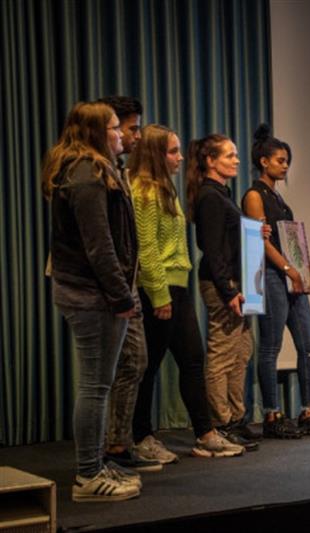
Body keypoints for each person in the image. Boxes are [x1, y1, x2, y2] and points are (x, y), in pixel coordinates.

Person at [128, 124, 246, 460]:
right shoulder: (145, 191)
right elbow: (147, 247)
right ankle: (141, 437)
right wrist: (160, 294)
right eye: (172, 151)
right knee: (148, 366)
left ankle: (205, 434)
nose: (181, 157)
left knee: (193, 359)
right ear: (154, 153)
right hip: (159, 289)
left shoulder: (164, 189)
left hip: (177, 287)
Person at [42, 101, 141, 501]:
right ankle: (87, 477)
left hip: (95, 293)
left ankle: (95, 466)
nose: (122, 134)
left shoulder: (95, 169)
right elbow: (98, 246)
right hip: (92, 295)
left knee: (97, 384)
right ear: (96, 132)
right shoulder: (86, 174)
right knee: (95, 386)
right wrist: (121, 296)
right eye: (115, 128)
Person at [242, 125, 310, 438]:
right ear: (263, 161)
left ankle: (309, 410)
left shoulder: (280, 200)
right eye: (280, 160)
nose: (285, 165)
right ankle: (272, 415)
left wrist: (309, 268)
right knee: (270, 348)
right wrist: (288, 268)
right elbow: (260, 242)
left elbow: (291, 241)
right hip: (271, 277)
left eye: (287, 161)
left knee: (308, 345)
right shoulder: (254, 196)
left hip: (292, 278)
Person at [96, 96, 162, 472]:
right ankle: (103, 454)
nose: (136, 135)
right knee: (103, 375)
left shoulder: (116, 169)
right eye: (131, 128)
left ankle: (119, 445)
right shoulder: (94, 172)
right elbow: (100, 242)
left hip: (127, 282)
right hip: (112, 287)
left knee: (134, 363)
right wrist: (122, 291)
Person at [186, 134, 260, 450]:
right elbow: (212, 250)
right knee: (221, 353)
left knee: (241, 351)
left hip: (237, 282)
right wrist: (228, 289)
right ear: (210, 161)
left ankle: (235, 418)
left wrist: (254, 232)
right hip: (222, 285)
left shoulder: (221, 194)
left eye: (235, 154)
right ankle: (220, 422)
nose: (237, 160)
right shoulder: (210, 197)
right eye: (229, 155)